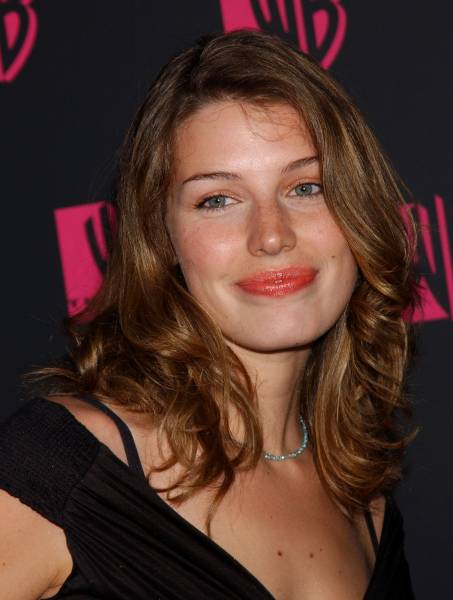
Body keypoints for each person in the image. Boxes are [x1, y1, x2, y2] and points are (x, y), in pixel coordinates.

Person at [0, 29, 420, 599]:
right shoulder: (59, 470)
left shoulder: (369, 507)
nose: (271, 235)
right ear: (163, 237)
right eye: (217, 200)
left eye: (307, 187)